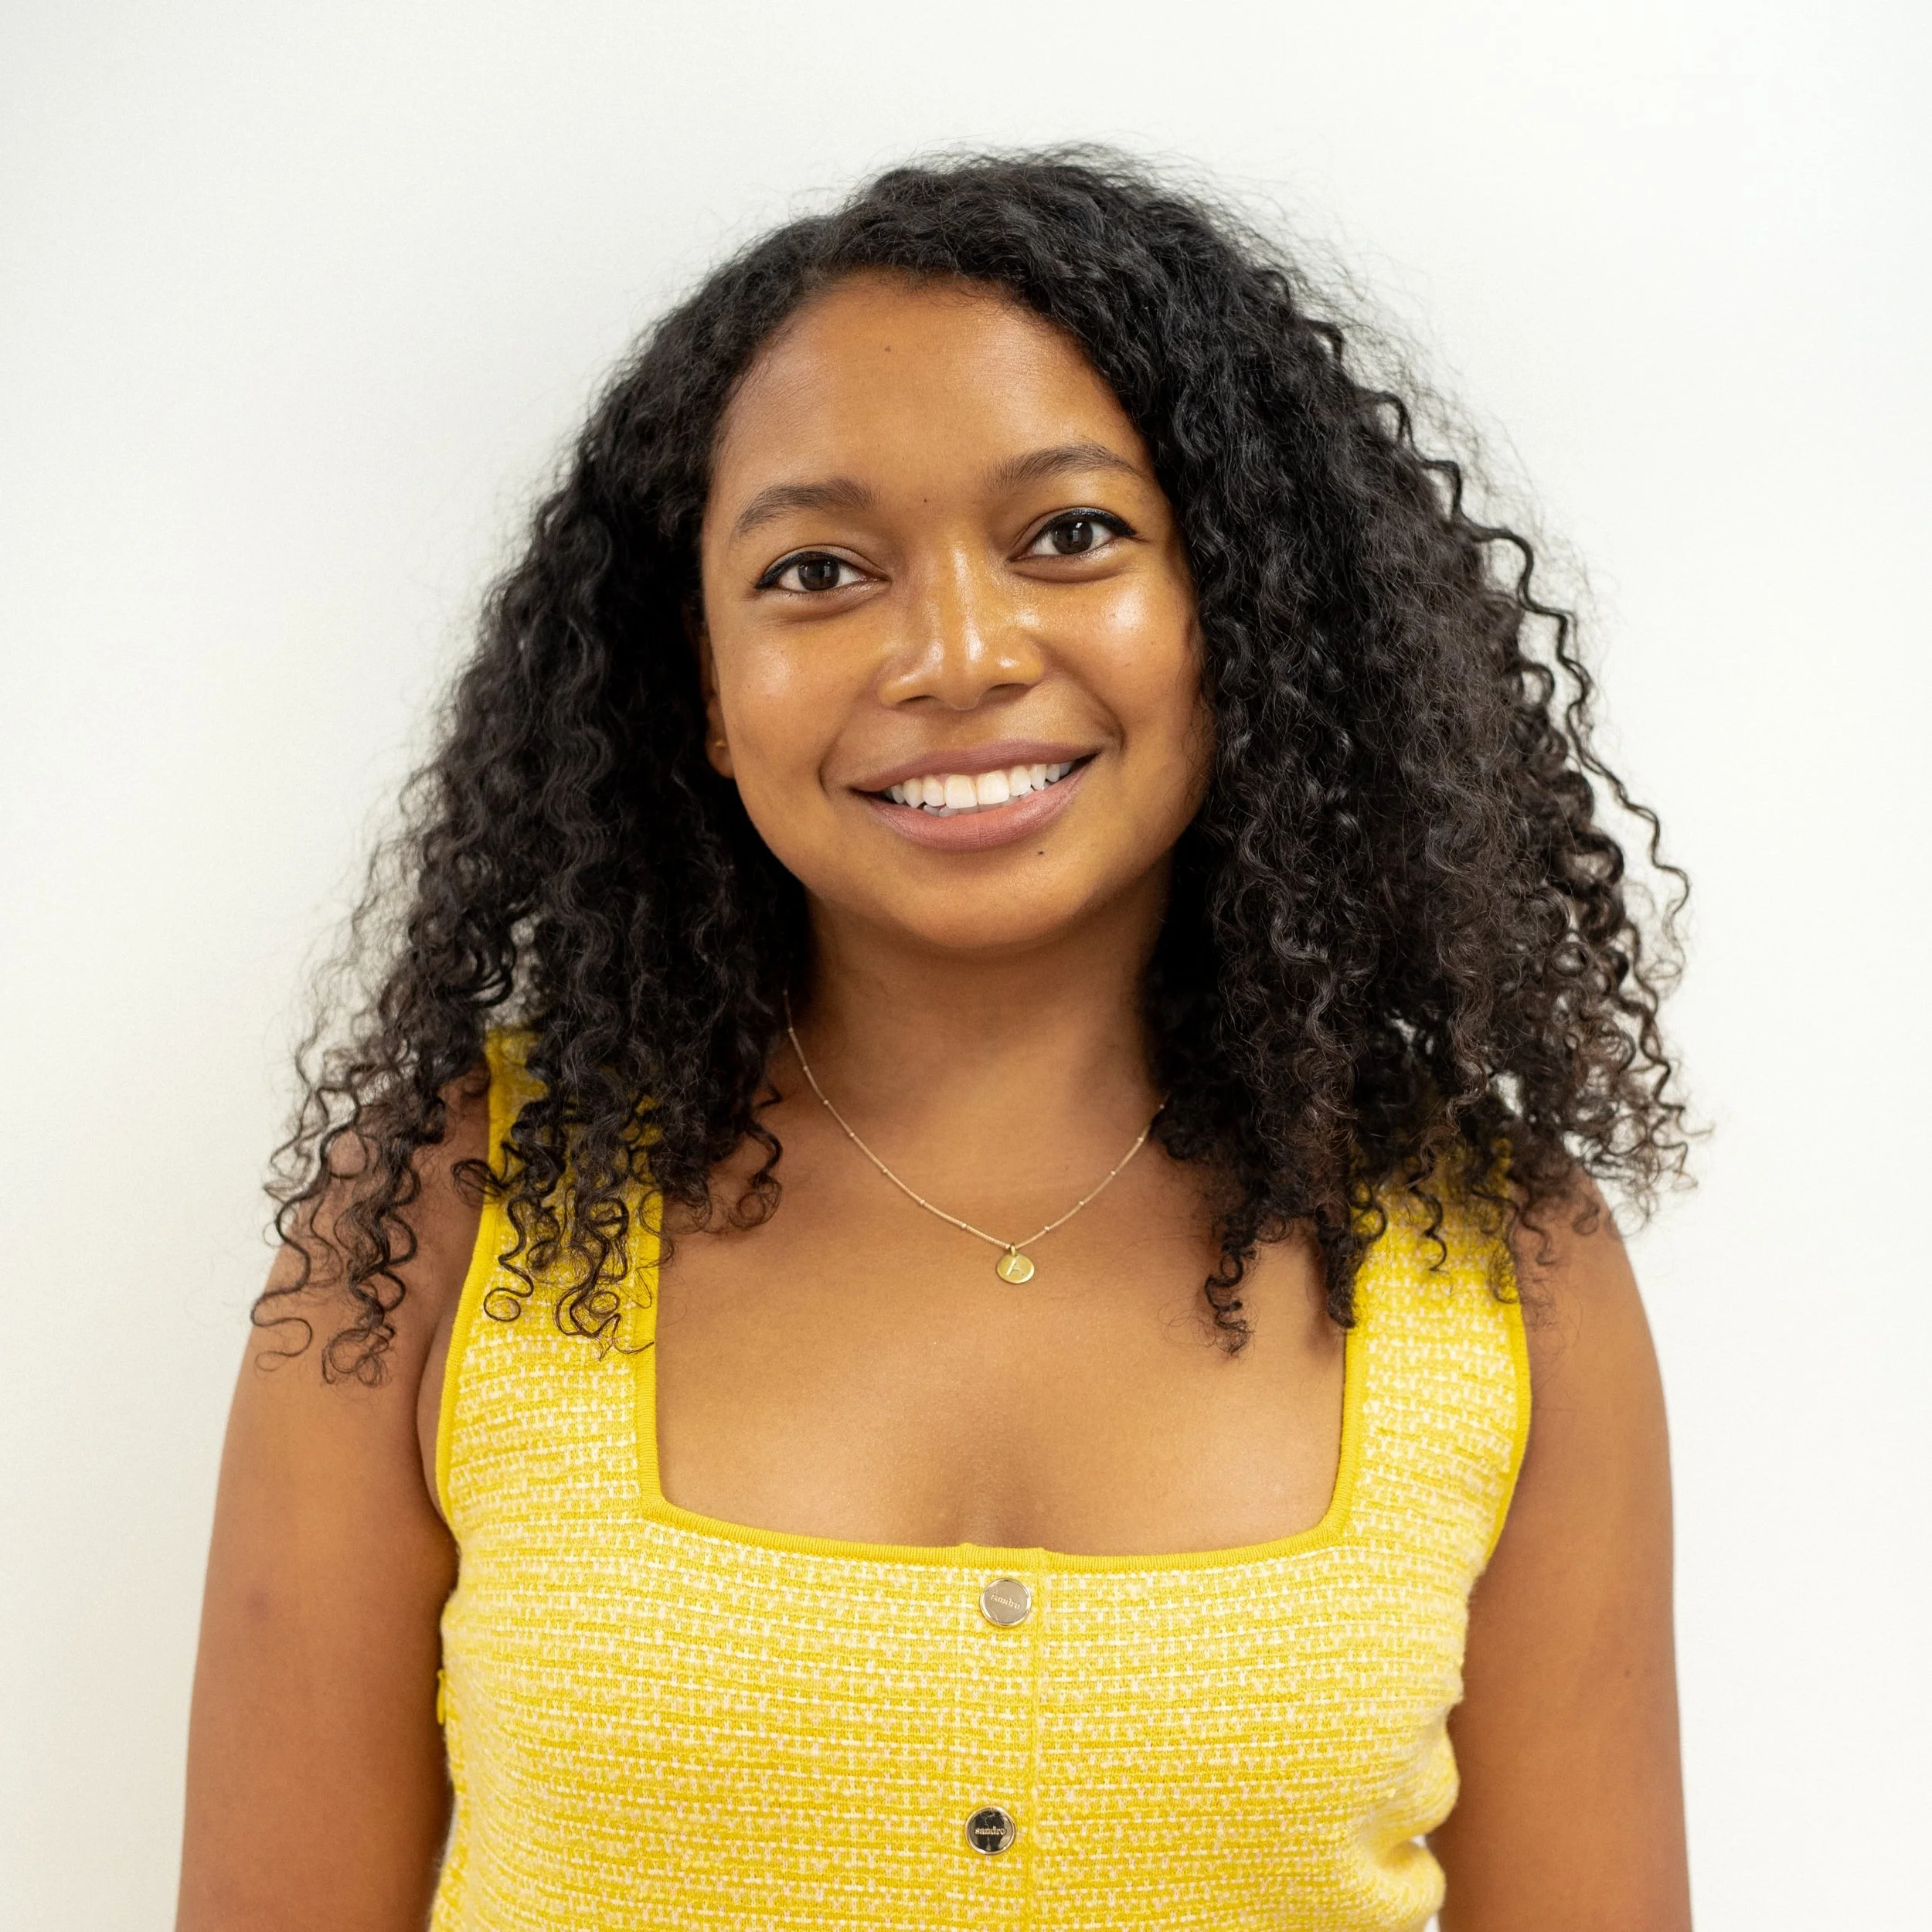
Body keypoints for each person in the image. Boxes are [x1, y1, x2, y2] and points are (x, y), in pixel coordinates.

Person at [179, 151, 1692, 1930]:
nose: (954, 654)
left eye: (1070, 534)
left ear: (1247, 614)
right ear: (705, 692)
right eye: (817, 569)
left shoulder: (1499, 1260)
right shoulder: (451, 1214)